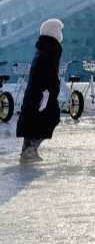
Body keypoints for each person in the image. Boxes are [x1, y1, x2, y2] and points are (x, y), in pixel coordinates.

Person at [16, 18, 64, 162]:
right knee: (50, 118)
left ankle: (27, 151)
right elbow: (48, 73)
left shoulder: (43, 49)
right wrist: (49, 89)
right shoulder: (50, 50)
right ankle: (30, 150)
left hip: (35, 93)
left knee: (32, 122)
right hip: (43, 93)